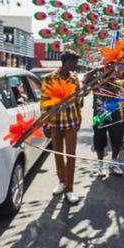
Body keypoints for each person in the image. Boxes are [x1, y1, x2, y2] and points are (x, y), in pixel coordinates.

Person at [40, 50, 84, 204]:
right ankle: (61, 181)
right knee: (58, 153)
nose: (76, 65)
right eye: (74, 62)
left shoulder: (74, 79)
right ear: (67, 63)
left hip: (71, 121)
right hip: (55, 122)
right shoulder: (49, 78)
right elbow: (44, 102)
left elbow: (78, 100)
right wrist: (45, 123)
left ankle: (70, 189)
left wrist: (79, 119)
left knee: (71, 155)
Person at [93, 87, 124, 177]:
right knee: (99, 139)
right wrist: (96, 72)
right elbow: (85, 80)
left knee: (118, 138)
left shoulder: (116, 79)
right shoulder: (97, 79)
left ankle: (114, 162)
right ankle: (100, 165)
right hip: (98, 114)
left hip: (115, 112)